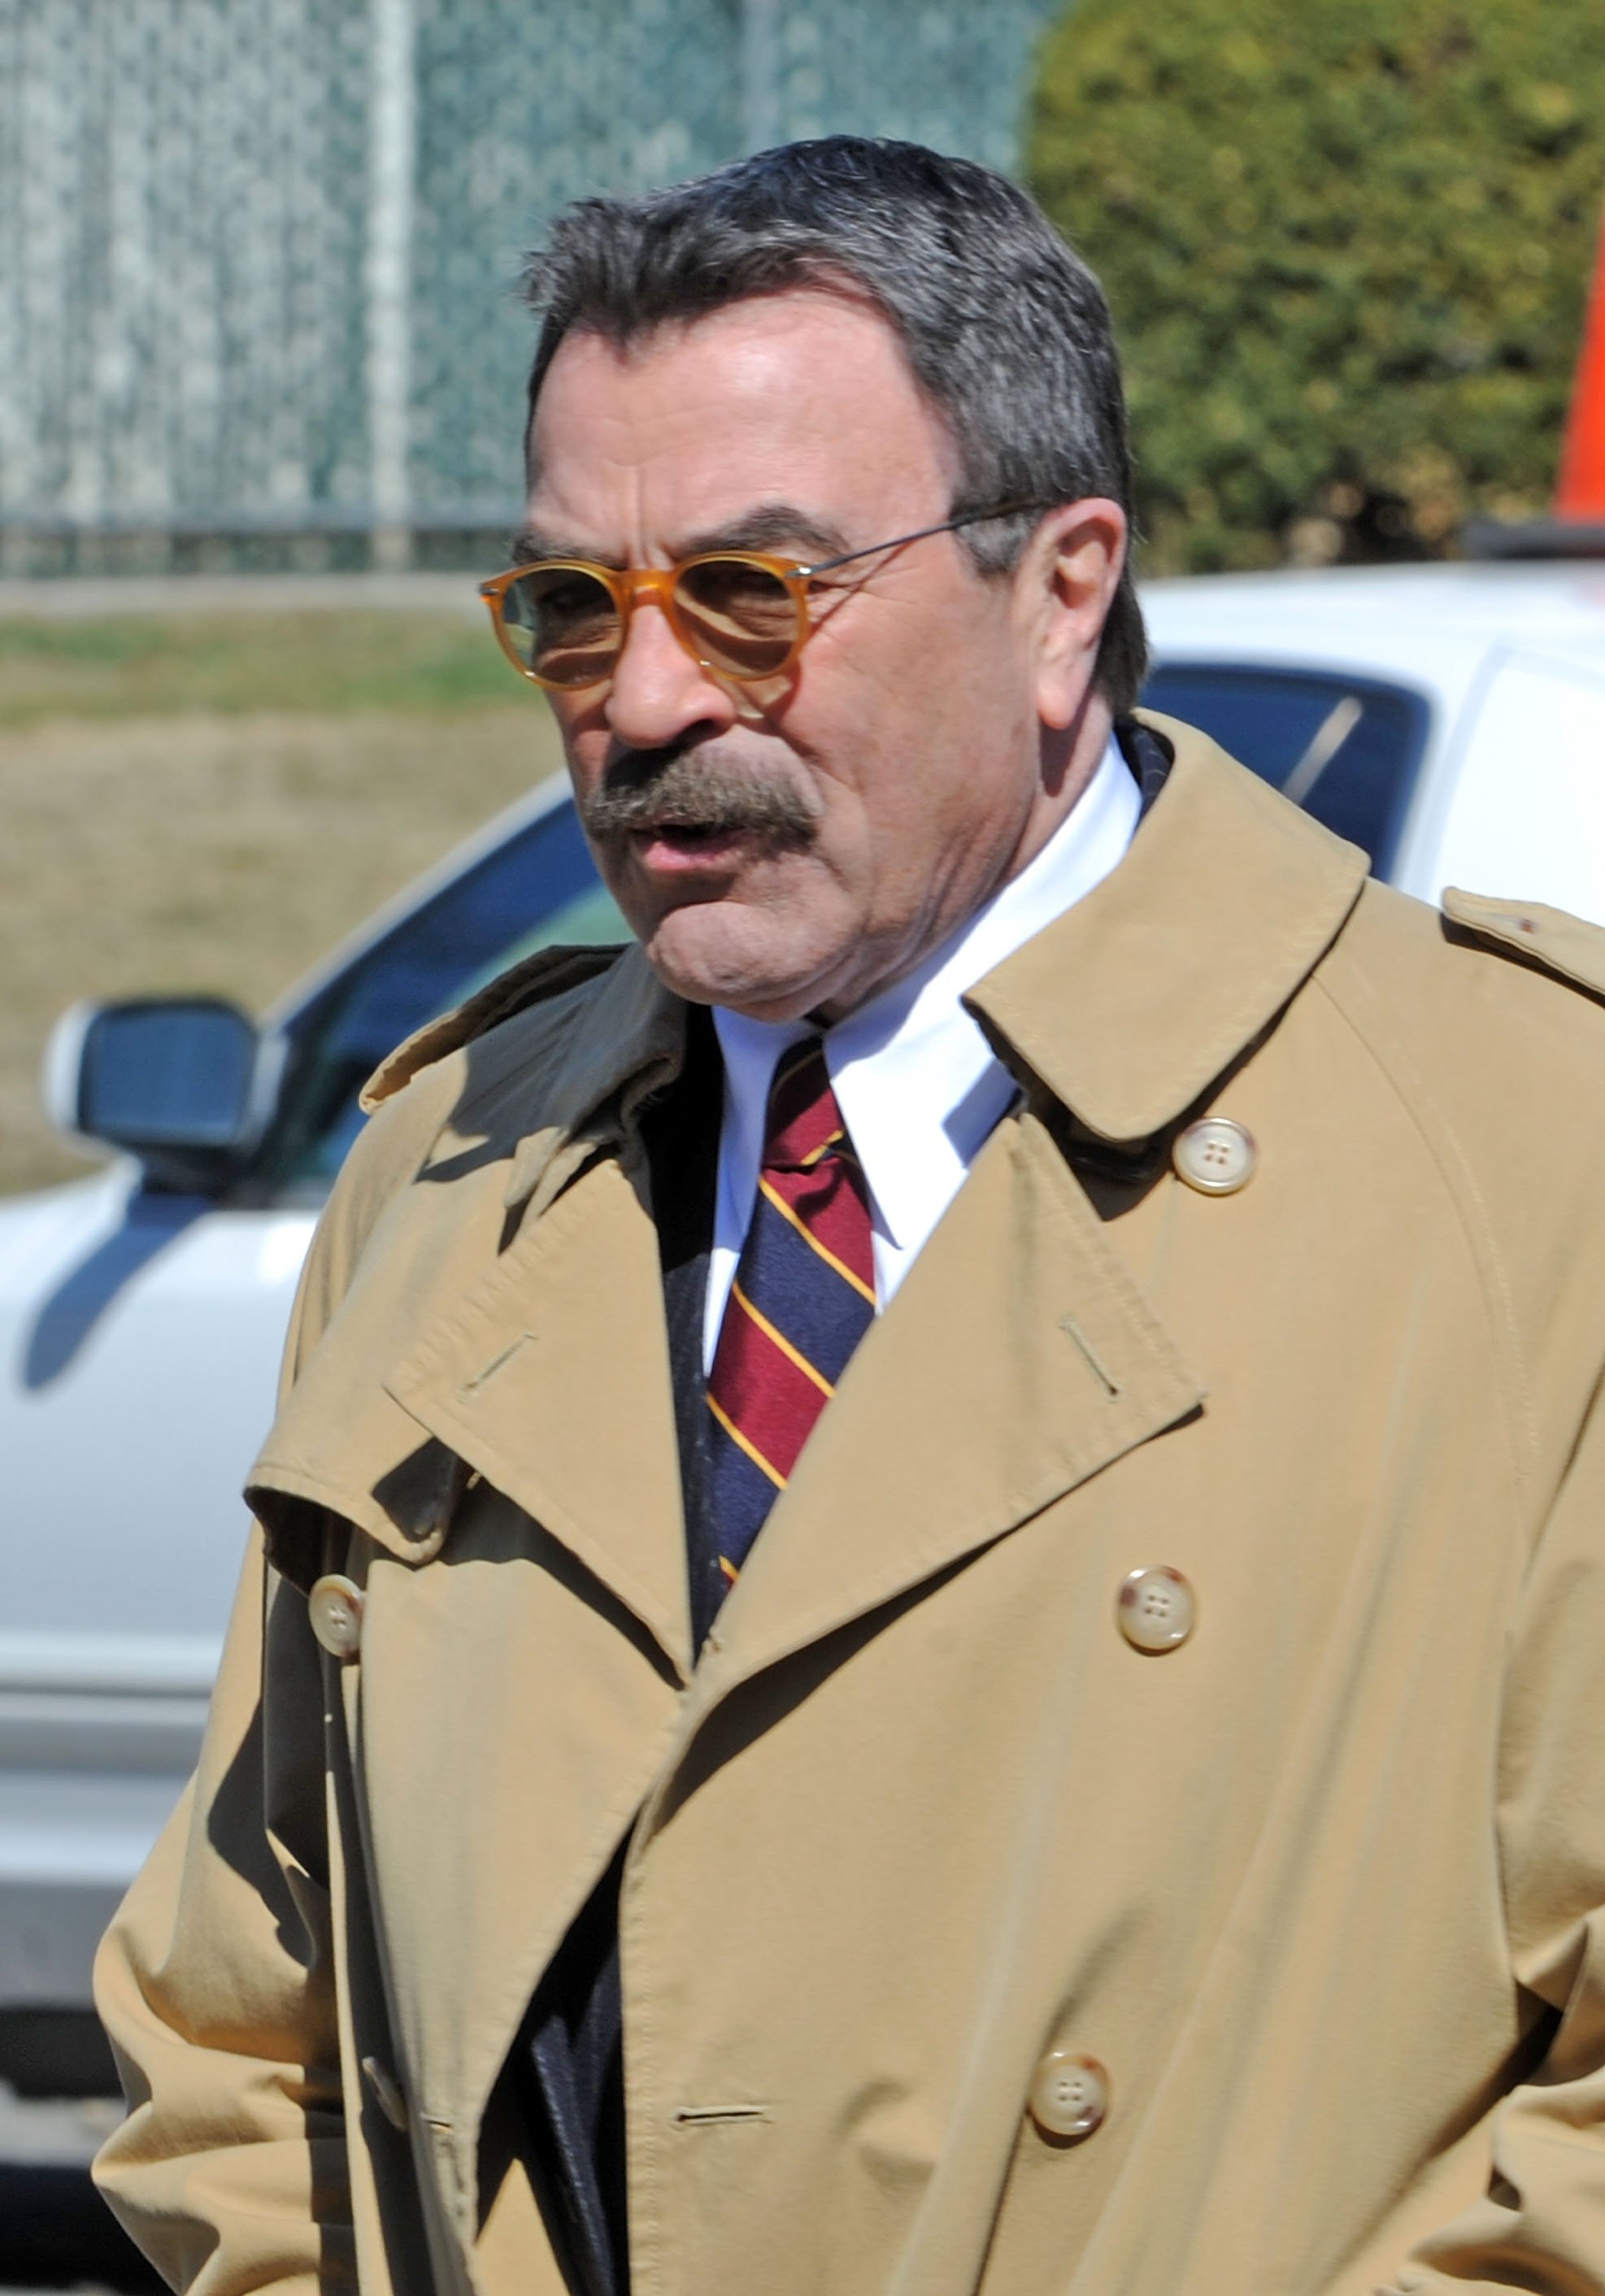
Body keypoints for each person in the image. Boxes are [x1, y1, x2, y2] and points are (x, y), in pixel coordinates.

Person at [94, 137, 1605, 2296]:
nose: (637, 706)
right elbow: (243, 2044)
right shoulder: (452, 1172)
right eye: (565, 608)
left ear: (1061, 590)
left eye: (749, 593)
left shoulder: (1528, 1164)